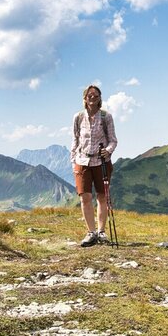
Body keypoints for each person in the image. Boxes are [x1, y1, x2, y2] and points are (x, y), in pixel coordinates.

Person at [70, 84, 117, 247]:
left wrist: (108, 150)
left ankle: (101, 231)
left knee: (102, 197)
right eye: (89, 95)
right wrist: (73, 160)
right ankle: (91, 232)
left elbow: (113, 140)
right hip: (82, 161)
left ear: (99, 98)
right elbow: (75, 140)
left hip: (101, 161)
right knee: (85, 197)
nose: (92, 98)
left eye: (96, 95)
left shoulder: (106, 117)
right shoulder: (78, 117)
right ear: (84, 98)